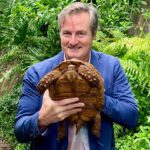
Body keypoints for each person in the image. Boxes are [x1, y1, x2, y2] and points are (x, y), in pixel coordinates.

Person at [14, 2, 138, 150]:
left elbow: (131, 117)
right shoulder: (38, 73)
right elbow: (20, 131)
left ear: (93, 35)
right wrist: (42, 118)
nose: (72, 41)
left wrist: (98, 98)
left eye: (80, 33)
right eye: (67, 33)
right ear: (60, 34)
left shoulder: (111, 67)